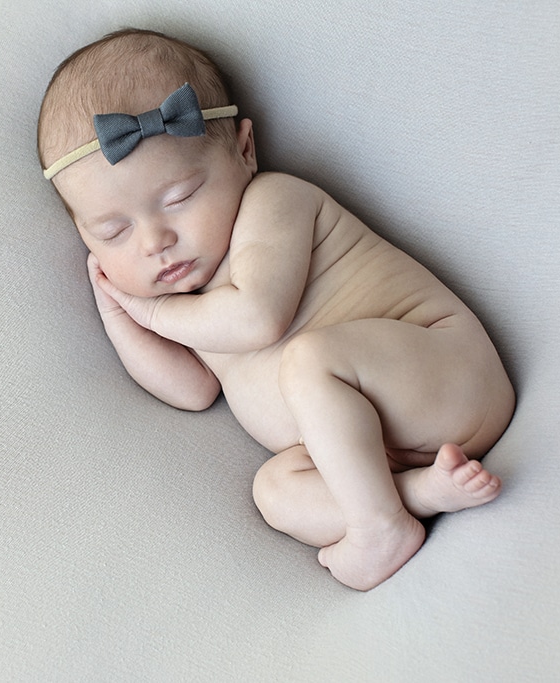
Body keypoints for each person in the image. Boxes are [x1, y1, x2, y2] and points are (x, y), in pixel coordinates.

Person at [37, 29, 515, 590]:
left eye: (179, 198)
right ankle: (416, 495)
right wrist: (119, 309)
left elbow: (259, 319)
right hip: (377, 453)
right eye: (113, 232)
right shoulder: (180, 299)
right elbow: (192, 391)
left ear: (244, 151)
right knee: (274, 491)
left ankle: (380, 527)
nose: (155, 241)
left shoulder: (273, 202)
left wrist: (156, 316)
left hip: (446, 376)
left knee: (309, 360)